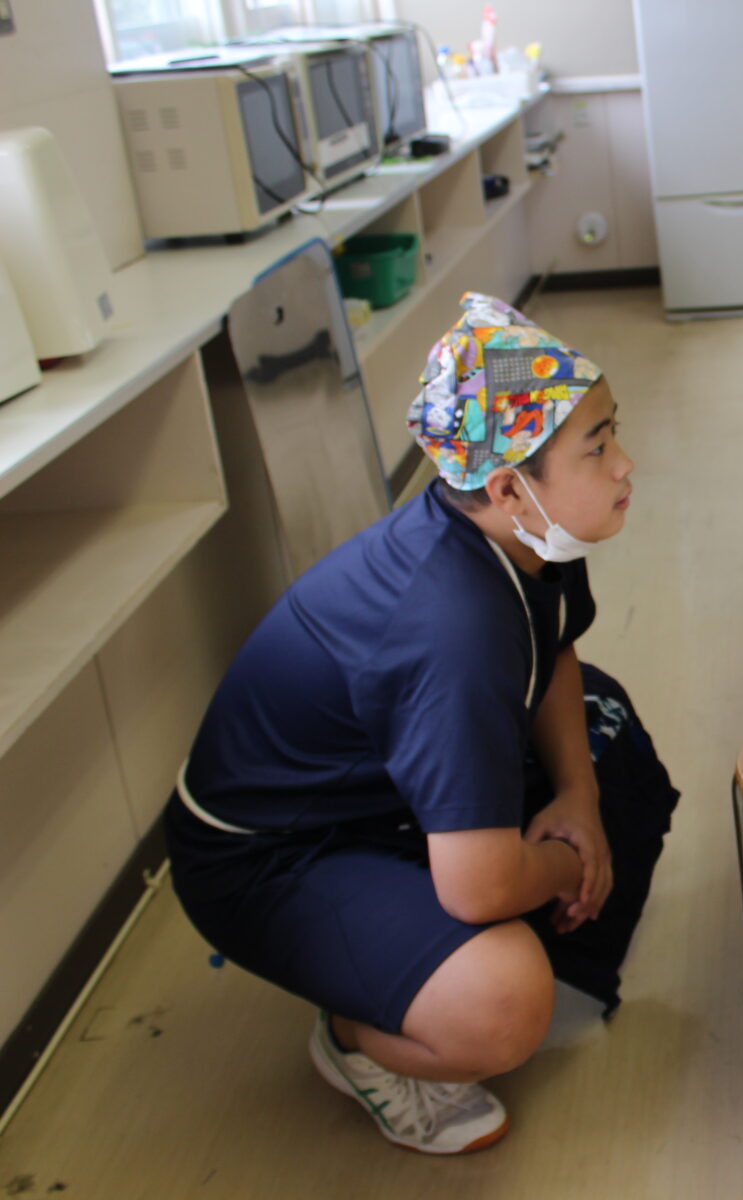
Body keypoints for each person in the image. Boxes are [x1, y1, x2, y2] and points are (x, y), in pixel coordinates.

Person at [164, 293, 679, 1154]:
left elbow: (555, 651)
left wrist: (579, 800)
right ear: (513, 487)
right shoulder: (451, 626)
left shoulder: (522, 541)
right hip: (268, 856)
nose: (625, 465)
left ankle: (428, 943)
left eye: (612, 432)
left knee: (606, 730)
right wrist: (567, 865)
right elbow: (475, 888)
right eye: (598, 449)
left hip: (371, 789)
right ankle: (359, 1040)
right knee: (506, 1003)